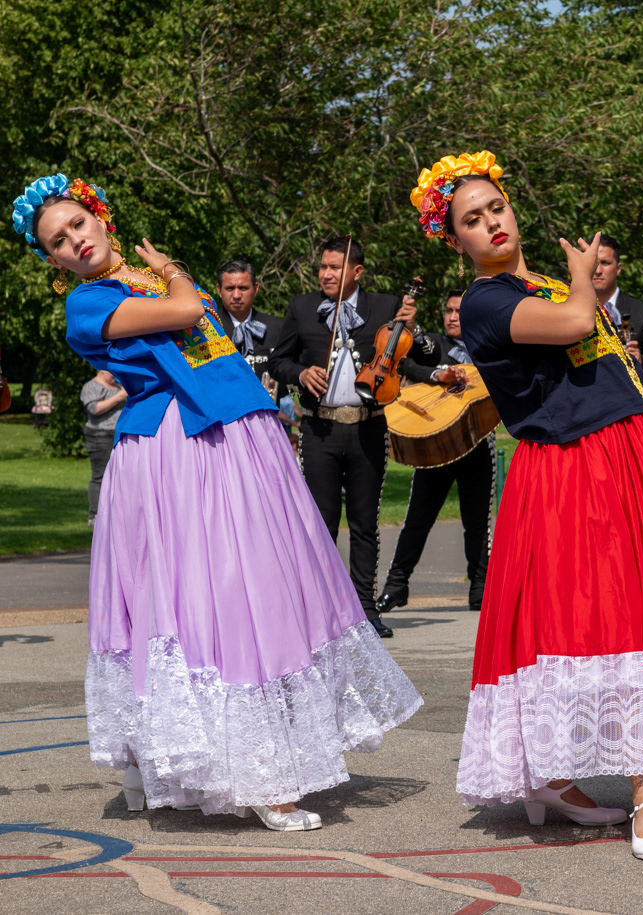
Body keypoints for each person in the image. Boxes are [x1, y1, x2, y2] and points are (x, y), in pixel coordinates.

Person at [12, 173, 420, 831]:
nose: (73, 242)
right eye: (57, 242)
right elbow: (184, 313)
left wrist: (171, 277)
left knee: (255, 590)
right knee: (215, 597)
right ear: (53, 260)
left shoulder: (147, 281)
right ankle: (254, 772)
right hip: (177, 446)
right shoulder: (89, 306)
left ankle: (155, 761)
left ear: (100, 217)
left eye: (77, 225)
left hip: (237, 431)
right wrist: (173, 269)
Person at [410, 151, 643, 861]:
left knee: (640, 608)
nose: (490, 224)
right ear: (457, 240)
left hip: (626, 450)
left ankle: (570, 779)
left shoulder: (527, 283)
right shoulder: (485, 301)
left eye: (495, 208)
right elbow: (572, 322)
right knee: (602, 615)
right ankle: (640, 785)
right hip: (572, 467)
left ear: (511, 206)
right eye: (471, 220)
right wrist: (580, 277)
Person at [268, 237, 417, 638]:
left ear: (357, 272)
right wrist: (299, 374)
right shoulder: (302, 308)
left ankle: (365, 609)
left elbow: (406, 356)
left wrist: (411, 328)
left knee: (365, 523)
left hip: (368, 426)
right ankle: (321, 611)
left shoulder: (385, 307)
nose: (326, 274)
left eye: (335, 267)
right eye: (323, 267)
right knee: (321, 523)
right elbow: (278, 360)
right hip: (320, 430)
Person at [376, 289, 495, 615]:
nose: (453, 316)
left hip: (476, 443)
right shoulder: (435, 345)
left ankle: (480, 588)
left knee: (476, 522)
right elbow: (412, 357)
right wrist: (426, 358)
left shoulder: (489, 351)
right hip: (434, 441)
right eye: (448, 310)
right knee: (418, 518)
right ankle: (396, 586)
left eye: (459, 310)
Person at [593, 234, 643, 386]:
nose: (598, 270)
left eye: (605, 263)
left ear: (618, 269)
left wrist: (642, 360)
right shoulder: (570, 309)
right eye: (594, 263)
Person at [216, 259, 282, 400]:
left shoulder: (276, 327)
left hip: (267, 414)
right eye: (229, 288)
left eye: (243, 288)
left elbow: (290, 371)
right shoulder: (209, 329)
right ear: (219, 290)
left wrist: (278, 385)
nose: (237, 295)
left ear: (256, 288)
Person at [80, 368, 126, 523]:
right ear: (101, 371)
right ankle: (95, 515)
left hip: (118, 434)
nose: (114, 374)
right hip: (100, 435)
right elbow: (94, 409)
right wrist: (119, 397)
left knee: (118, 476)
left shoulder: (118, 386)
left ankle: (114, 514)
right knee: (100, 475)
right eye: (111, 371)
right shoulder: (92, 386)